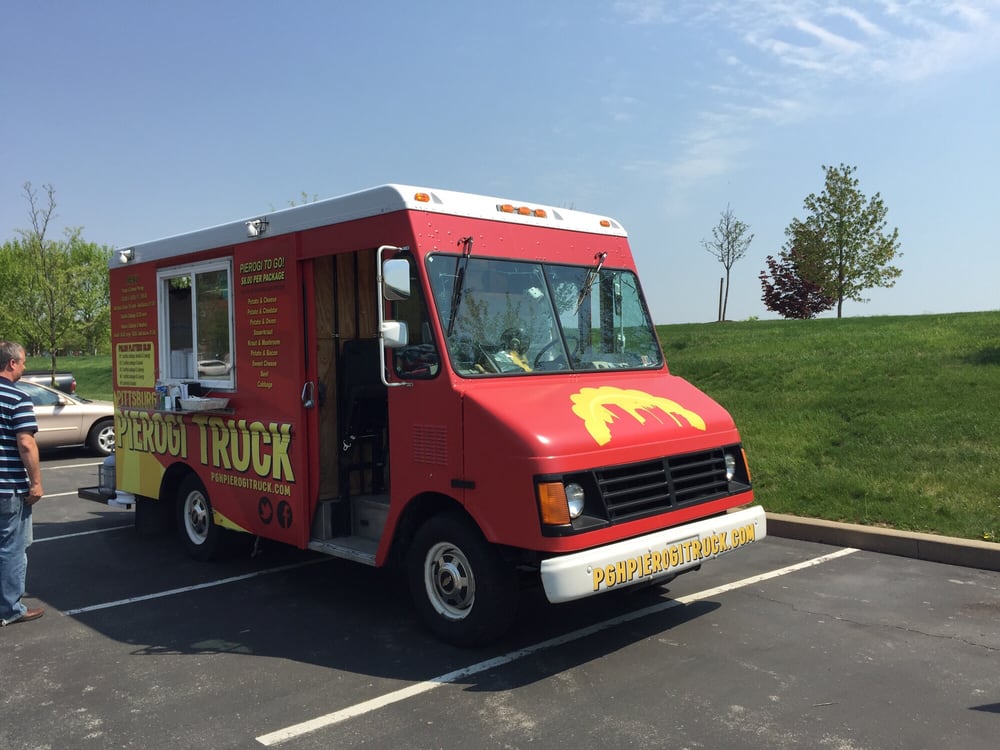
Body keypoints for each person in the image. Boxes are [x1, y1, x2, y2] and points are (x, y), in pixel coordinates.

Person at [0, 341, 44, 626]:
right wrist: (36, 482)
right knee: (13, 547)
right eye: (24, 362)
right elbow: (26, 443)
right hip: (9, 487)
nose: (25, 367)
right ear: (12, 363)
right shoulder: (17, 398)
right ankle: (9, 608)